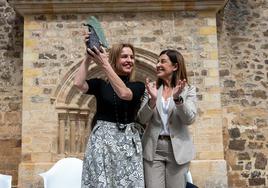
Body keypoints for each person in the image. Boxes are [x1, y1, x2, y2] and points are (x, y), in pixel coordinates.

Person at [74, 34, 145, 187]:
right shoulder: (100, 85)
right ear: (115, 59)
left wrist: (104, 64)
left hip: (128, 142)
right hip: (102, 141)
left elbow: (124, 94)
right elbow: (78, 84)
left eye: (131, 57)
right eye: (124, 56)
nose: (129, 60)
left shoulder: (138, 85)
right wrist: (88, 56)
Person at [137, 49, 197, 188]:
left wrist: (178, 99)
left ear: (175, 66)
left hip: (178, 149)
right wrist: (152, 100)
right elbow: (141, 119)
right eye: (158, 61)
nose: (158, 64)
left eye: (163, 61)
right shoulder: (151, 88)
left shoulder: (188, 90)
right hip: (153, 148)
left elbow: (189, 119)